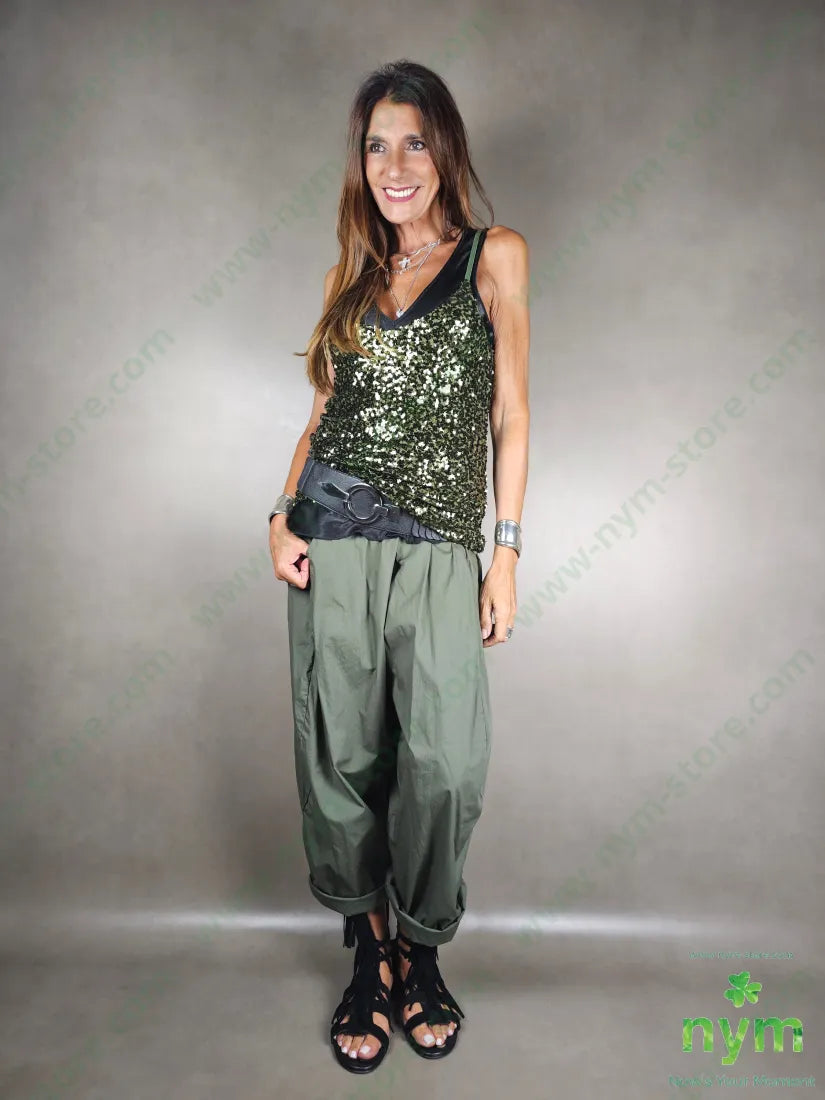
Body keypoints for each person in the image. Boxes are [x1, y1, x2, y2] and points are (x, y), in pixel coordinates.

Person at [268, 59, 529, 1075]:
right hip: (330, 542)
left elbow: (511, 413)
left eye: (413, 141)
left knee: (442, 765)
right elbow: (320, 419)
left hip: (438, 550)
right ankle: (371, 957)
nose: (394, 164)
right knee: (341, 760)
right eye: (376, 145)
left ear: (445, 149)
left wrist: (504, 554)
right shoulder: (351, 280)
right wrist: (277, 517)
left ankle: (423, 948)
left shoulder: (493, 257)